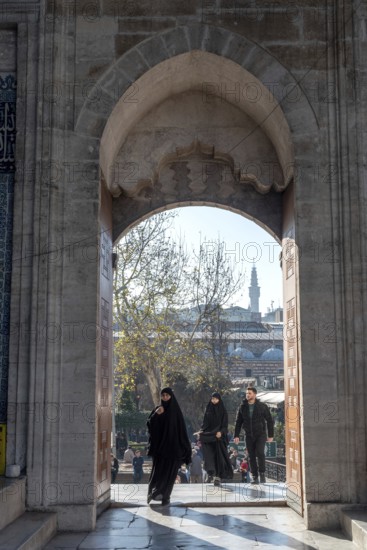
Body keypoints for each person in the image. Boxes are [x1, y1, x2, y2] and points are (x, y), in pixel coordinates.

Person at [146, 387, 192, 505]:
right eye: (163, 395)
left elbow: (182, 431)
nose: (165, 397)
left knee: (170, 475)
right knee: (159, 472)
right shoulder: (158, 409)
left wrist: (186, 448)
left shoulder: (176, 412)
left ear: (171, 396)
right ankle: (155, 492)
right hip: (161, 450)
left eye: (167, 395)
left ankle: (165, 496)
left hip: (174, 450)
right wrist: (156, 415)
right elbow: (150, 426)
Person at [234, 386, 274, 484]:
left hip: (260, 434)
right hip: (248, 435)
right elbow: (238, 422)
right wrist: (236, 435)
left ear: (255, 394)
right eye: (247, 393)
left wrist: (271, 435)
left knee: (260, 452)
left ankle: (262, 474)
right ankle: (255, 476)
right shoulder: (242, 407)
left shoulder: (262, 406)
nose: (247, 395)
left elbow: (269, 420)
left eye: (250, 393)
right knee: (251, 456)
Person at [198, 392, 233, 487]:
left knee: (219, 457)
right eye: (212, 399)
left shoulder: (223, 411)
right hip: (209, 437)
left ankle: (218, 477)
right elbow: (205, 423)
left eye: (216, 399)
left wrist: (220, 432)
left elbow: (225, 426)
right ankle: (211, 473)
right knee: (209, 456)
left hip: (219, 438)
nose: (214, 400)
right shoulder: (208, 409)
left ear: (219, 399)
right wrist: (201, 431)